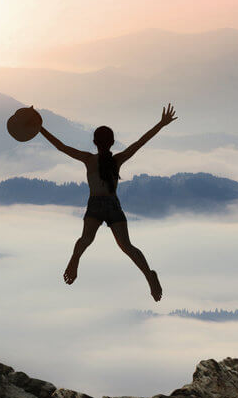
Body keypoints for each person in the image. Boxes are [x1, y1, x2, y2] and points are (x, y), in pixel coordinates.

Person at [38, 104, 177, 301]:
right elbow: (140, 142)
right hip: (112, 205)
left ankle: (74, 262)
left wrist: (39, 129)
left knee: (86, 240)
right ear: (112, 142)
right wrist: (161, 124)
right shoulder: (116, 160)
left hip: (96, 205)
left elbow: (61, 146)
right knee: (127, 246)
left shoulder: (89, 159)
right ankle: (148, 274)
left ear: (94, 142)